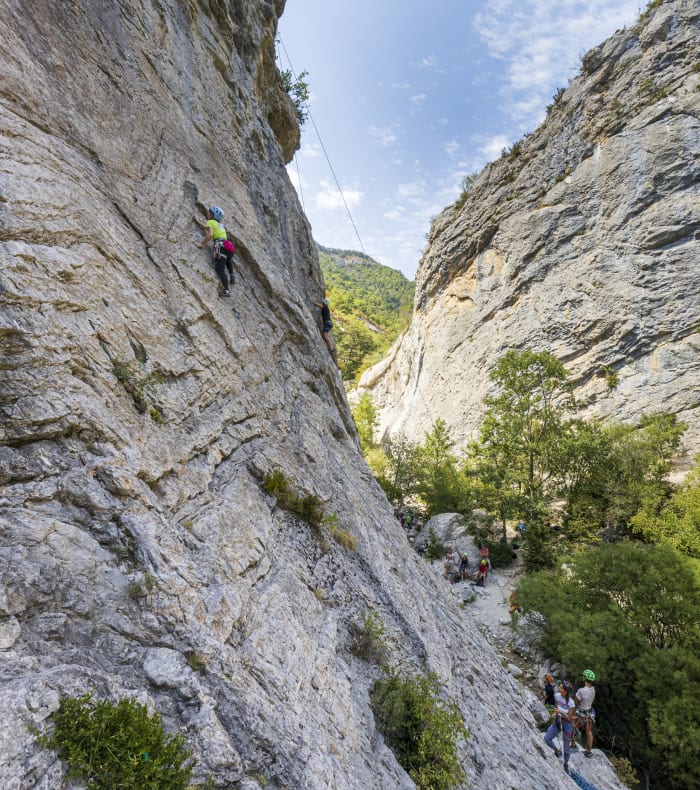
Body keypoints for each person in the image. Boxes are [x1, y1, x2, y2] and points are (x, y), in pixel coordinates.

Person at [194, 206, 234, 296]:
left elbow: (210, 234)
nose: (207, 213)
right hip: (229, 245)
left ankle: (226, 291)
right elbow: (208, 228)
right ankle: (232, 273)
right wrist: (199, 222)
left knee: (219, 268)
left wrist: (201, 244)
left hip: (220, 245)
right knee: (227, 259)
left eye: (209, 213)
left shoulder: (210, 221)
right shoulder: (220, 225)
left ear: (212, 215)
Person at [544, 680, 576, 774]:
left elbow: (569, 719)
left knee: (566, 747)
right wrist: (555, 713)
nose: (559, 688)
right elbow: (556, 707)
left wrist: (561, 713)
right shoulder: (557, 696)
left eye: (561, 688)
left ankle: (566, 764)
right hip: (557, 721)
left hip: (567, 723)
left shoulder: (571, 702)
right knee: (547, 738)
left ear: (565, 691)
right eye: (560, 687)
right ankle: (557, 750)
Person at [575, 669, 596, 756]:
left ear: (585, 678)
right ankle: (589, 750)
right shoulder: (593, 690)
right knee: (589, 731)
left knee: (572, 724)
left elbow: (575, 702)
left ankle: (572, 744)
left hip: (580, 712)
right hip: (589, 712)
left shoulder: (581, 690)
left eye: (583, 676)